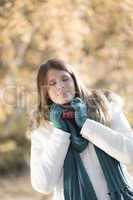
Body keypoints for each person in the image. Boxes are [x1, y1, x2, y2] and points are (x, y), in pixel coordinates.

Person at [30, 58, 133, 200]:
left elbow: (130, 153)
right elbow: (43, 185)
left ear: (74, 80)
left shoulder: (106, 108)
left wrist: (87, 124)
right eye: (52, 83)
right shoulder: (43, 130)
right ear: (45, 92)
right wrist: (60, 133)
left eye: (65, 79)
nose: (60, 86)